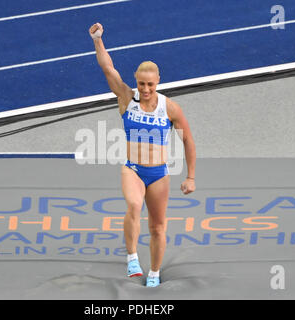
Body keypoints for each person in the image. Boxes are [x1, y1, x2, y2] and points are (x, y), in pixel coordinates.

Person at [89, 23, 196, 287]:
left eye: (149, 84)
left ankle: (155, 273)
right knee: (135, 205)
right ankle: (132, 258)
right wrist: (97, 40)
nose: (145, 89)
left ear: (158, 81)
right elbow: (108, 68)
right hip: (133, 169)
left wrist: (191, 176)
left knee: (158, 227)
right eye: (141, 84)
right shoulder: (126, 97)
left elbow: (188, 140)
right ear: (136, 82)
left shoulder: (169, 108)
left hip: (159, 173)